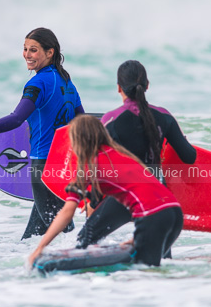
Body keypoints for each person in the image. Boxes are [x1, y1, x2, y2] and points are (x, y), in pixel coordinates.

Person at [0, 27, 84, 239]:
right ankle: (20, 268)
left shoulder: (38, 83)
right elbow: (81, 122)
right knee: (33, 236)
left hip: (43, 167)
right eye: (25, 49)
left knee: (63, 233)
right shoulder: (68, 83)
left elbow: (16, 118)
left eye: (33, 50)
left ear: (50, 52)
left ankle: (88, 263)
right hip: (63, 165)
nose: (27, 55)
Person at [28, 115, 183, 267]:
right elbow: (143, 190)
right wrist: (141, 235)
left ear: (77, 140)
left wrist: (40, 248)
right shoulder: (121, 154)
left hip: (152, 215)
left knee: (144, 274)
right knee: (159, 270)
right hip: (174, 213)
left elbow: (67, 212)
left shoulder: (89, 165)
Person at [76, 60, 197, 250]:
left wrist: (92, 200)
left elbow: (99, 165)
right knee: (159, 257)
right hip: (160, 198)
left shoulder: (111, 120)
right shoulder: (164, 116)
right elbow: (189, 157)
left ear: (119, 87)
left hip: (124, 198)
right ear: (147, 85)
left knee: (83, 242)